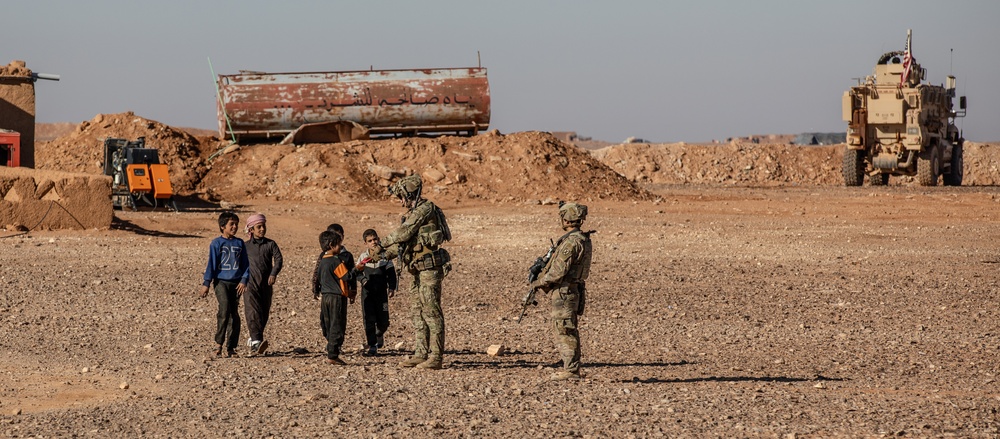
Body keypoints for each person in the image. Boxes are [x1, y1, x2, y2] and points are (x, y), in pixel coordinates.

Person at [377, 175, 452, 370]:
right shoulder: (414, 212)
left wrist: (380, 244)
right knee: (417, 312)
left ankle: (436, 357)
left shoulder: (425, 210)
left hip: (429, 269)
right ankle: (421, 353)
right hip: (416, 270)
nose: (401, 202)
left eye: (402, 197)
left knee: (431, 312)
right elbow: (404, 245)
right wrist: (380, 255)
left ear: (411, 194)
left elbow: (403, 233)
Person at [528, 202, 593, 381]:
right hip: (573, 290)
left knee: (564, 329)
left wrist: (539, 283)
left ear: (567, 219)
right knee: (569, 328)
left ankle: (571, 370)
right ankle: (572, 366)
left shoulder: (571, 242)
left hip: (565, 292)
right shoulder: (583, 239)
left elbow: (557, 272)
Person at [197, 211, 249, 358]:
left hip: (236, 284)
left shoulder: (240, 244)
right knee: (224, 309)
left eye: (236, 224)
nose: (234, 227)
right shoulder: (216, 243)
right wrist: (206, 283)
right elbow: (211, 264)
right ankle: (218, 344)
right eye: (231, 224)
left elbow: (246, 264)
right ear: (222, 226)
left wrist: (244, 280)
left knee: (234, 315)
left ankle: (231, 347)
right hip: (221, 282)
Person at [243, 213, 283, 357]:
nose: (262, 229)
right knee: (252, 311)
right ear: (251, 230)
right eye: (258, 227)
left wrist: (273, 273)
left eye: (263, 226)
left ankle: (255, 339)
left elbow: (279, 260)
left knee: (263, 312)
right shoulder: (245, 246)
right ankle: (256, 341)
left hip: (266, 284)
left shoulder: (270, 244)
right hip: (250, 284)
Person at [315, 230, 355, 365]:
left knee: (327, 322)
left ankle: (330, 347)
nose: (340, 247)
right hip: (337, 297)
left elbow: (318, 278)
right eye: (339, 245)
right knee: (337, 324)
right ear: (332, 245)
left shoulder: (322, 262)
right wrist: (358, 268)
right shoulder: (336, 261)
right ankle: (333, 354)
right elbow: (347, 276)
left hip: (325, 297)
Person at [354, 229, 397, 356]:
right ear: (365, 243)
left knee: (384, 321)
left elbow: (391, 274)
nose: (373, 242)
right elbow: (356, 273)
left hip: (382, 294)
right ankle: (372, 345)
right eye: (370, 241)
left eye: (375, 239)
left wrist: (392, 288)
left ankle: (379, 334)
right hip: (367, 294)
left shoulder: (385, 256)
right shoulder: (363, 257)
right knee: (368, 319)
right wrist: (363, 280)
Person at [312, 224, 357, 303]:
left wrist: (353, 292)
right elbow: (317, 273)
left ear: (343, 236)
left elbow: (351, 276)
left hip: (342, 294)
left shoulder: (347, 256)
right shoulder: (324, 256)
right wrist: (316, 290)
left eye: (338, 235)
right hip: (327, 293)